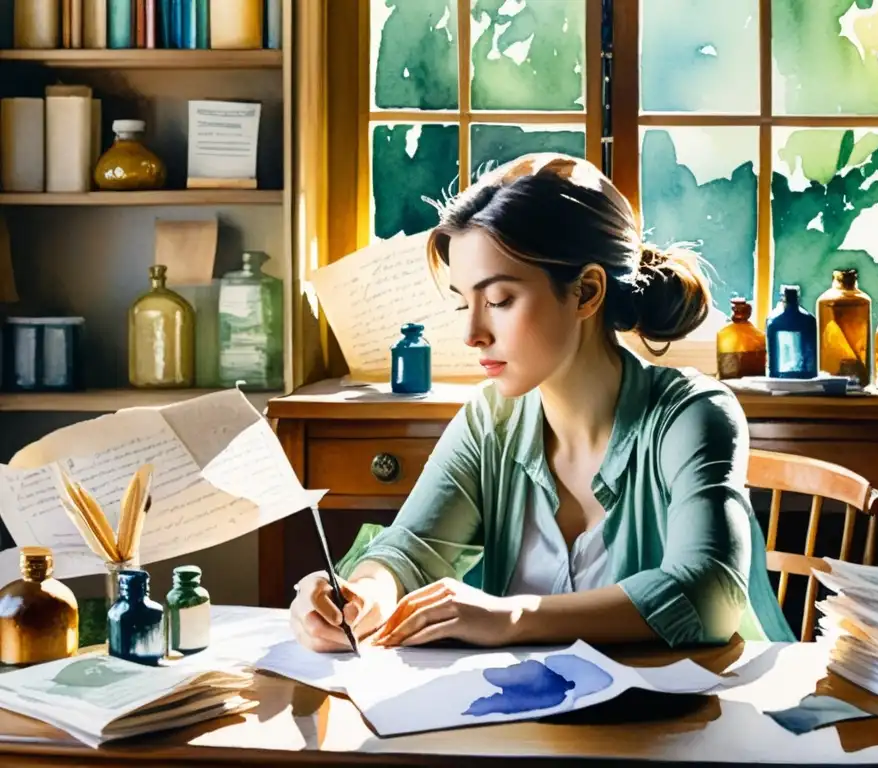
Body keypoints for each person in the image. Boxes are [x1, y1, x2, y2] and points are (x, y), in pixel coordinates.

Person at [290, 153, 795, 653]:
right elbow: (412, 550)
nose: (472, 334)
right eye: (466, 303)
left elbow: (709, 593)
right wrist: (362, 596)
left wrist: (512, 616)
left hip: (691, 721)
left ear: (587, 292)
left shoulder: (691, 414)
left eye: (500, 300)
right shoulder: (491, 420)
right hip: (526, 725)